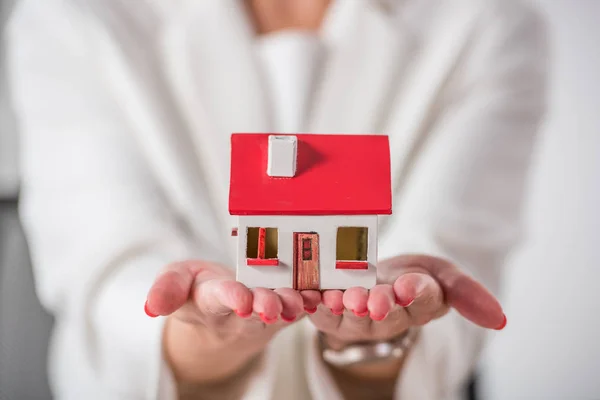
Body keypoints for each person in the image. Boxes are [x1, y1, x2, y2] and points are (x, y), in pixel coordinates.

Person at [5, 0, 548, 399]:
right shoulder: (67, 18)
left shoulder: (491, 24)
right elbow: (107, 278)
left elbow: (447, 290)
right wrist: (203, 338)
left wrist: (371, 347)